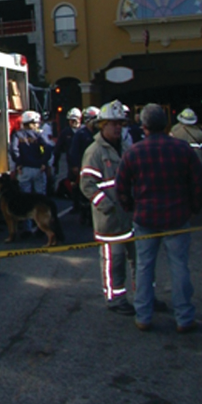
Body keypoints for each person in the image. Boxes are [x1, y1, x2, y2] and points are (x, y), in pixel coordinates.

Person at [116, 103, 202, 333]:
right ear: (166, 124)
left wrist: (130, 208)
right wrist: (194, 208)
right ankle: (184, 317)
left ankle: (143, 316)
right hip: (177, 216)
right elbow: (199, 182)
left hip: (145, 217)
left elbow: (121, 187)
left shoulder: (133, 152)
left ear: (143, 126)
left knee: (145, 267)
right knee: (180, 266)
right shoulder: (183, 149)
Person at [79, 100, 135, 316]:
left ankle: (143, 296)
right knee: (115, 261)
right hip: (110, 221)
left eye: (120, 124)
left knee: (138, 260)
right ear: (102, 125)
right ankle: (115, 298)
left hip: (130, 216)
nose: (118, 128)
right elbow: (87, 184)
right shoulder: (94, 152)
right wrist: (106, 205)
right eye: (113, 124)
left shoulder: (126, 147)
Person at [52, 107, 81, 198]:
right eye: (71, 120)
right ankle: (74, 200)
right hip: (70, 161)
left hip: (83, 159)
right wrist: (55, 162)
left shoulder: (83, 131)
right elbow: (58, 147)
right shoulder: (65, 133)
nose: (73, 122)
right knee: (72, 181)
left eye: (75, 120)